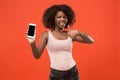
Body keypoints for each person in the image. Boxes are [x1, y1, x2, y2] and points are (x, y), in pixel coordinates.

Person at [26, 4, 94, 80]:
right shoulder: (46, 35)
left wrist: (79, 32)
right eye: (59, 17)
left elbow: (91, 41)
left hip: (73, 72)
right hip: (56, 75)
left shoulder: (69, 34)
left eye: (64, 17)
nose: (62, 19)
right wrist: (32, 43)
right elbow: (37, 56)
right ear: (53, 19)